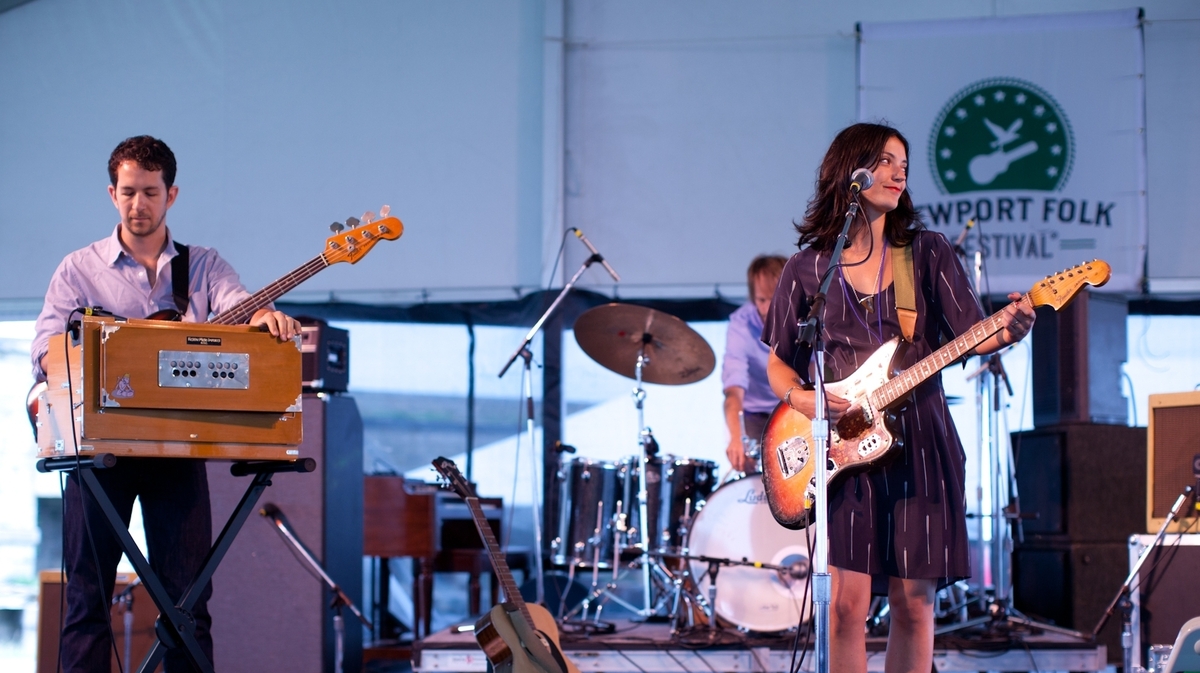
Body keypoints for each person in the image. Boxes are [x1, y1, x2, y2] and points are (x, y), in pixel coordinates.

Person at [762, 123, 1035, 673]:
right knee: (843, 608)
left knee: (913, 606)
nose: (899, 171)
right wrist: (802, 399)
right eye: (885, 161)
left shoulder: (927, 253)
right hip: (844, 450)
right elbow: (778, 361)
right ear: (850, 170)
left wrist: (1013, 328)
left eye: (903, 163)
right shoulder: (807, 268)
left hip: (923, 448)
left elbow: (977, 335)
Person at [31, 135, 301, 672]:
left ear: (171, 195)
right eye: (128, 192)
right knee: (86, 601)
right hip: (95, 453)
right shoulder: (77, 269)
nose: (139, 204)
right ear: (112, 193)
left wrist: (263, 316)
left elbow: (237, 305)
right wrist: (73, 365)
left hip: (178, 447)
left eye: (150, 192)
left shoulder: (203, 266)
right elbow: (44, 351)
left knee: (189, 604)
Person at [722, 254, 787, 473]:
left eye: (774, 298)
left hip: (795, 409)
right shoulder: (740, 324)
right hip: (753, 416)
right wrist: (736, 439)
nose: (768, 308)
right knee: (750, 472)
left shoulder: (807, 318)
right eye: (761, 300)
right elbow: (733, 392)